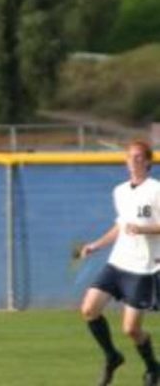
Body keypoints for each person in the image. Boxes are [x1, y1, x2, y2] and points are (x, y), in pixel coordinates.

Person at [80, 139, 160, 386]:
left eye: (139, 158)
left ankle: (152, 368)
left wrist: (145, 229)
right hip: (118, 262)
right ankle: (112, 356)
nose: (134, 162)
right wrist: (96, 244)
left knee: (131, 330)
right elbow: (120, 226)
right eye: (130, 157)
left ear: (147, 162)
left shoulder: (156, 190)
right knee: (89, 310)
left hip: (143, 268)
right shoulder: (120, 191)